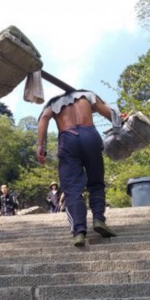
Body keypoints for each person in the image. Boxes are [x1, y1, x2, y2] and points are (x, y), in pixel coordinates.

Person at [36, 89, 116, 246]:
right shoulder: (87, 95)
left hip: (68, 138)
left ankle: (79, 232)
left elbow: (44, 117)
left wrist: (40, 145)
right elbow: (109, 113)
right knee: (96, 181)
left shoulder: (53, 102)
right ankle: (99, 219)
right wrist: (121, 122)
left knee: (72, 188)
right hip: (90, 135)